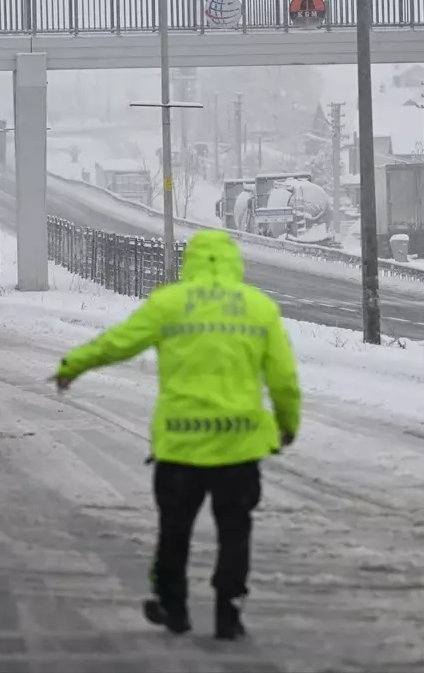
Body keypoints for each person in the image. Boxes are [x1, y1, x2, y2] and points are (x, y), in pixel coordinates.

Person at [53, 229, 301, 640]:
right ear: (234, 262)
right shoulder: (260, 309)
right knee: (235, 530)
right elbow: (284, 378)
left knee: (174, 529)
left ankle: (173, 605)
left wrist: (72, 366)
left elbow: (119, 342)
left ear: (191, 262)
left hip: (181, 445)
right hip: (238, 447)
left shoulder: (170, 304)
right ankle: (229, 610)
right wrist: (288, 425)